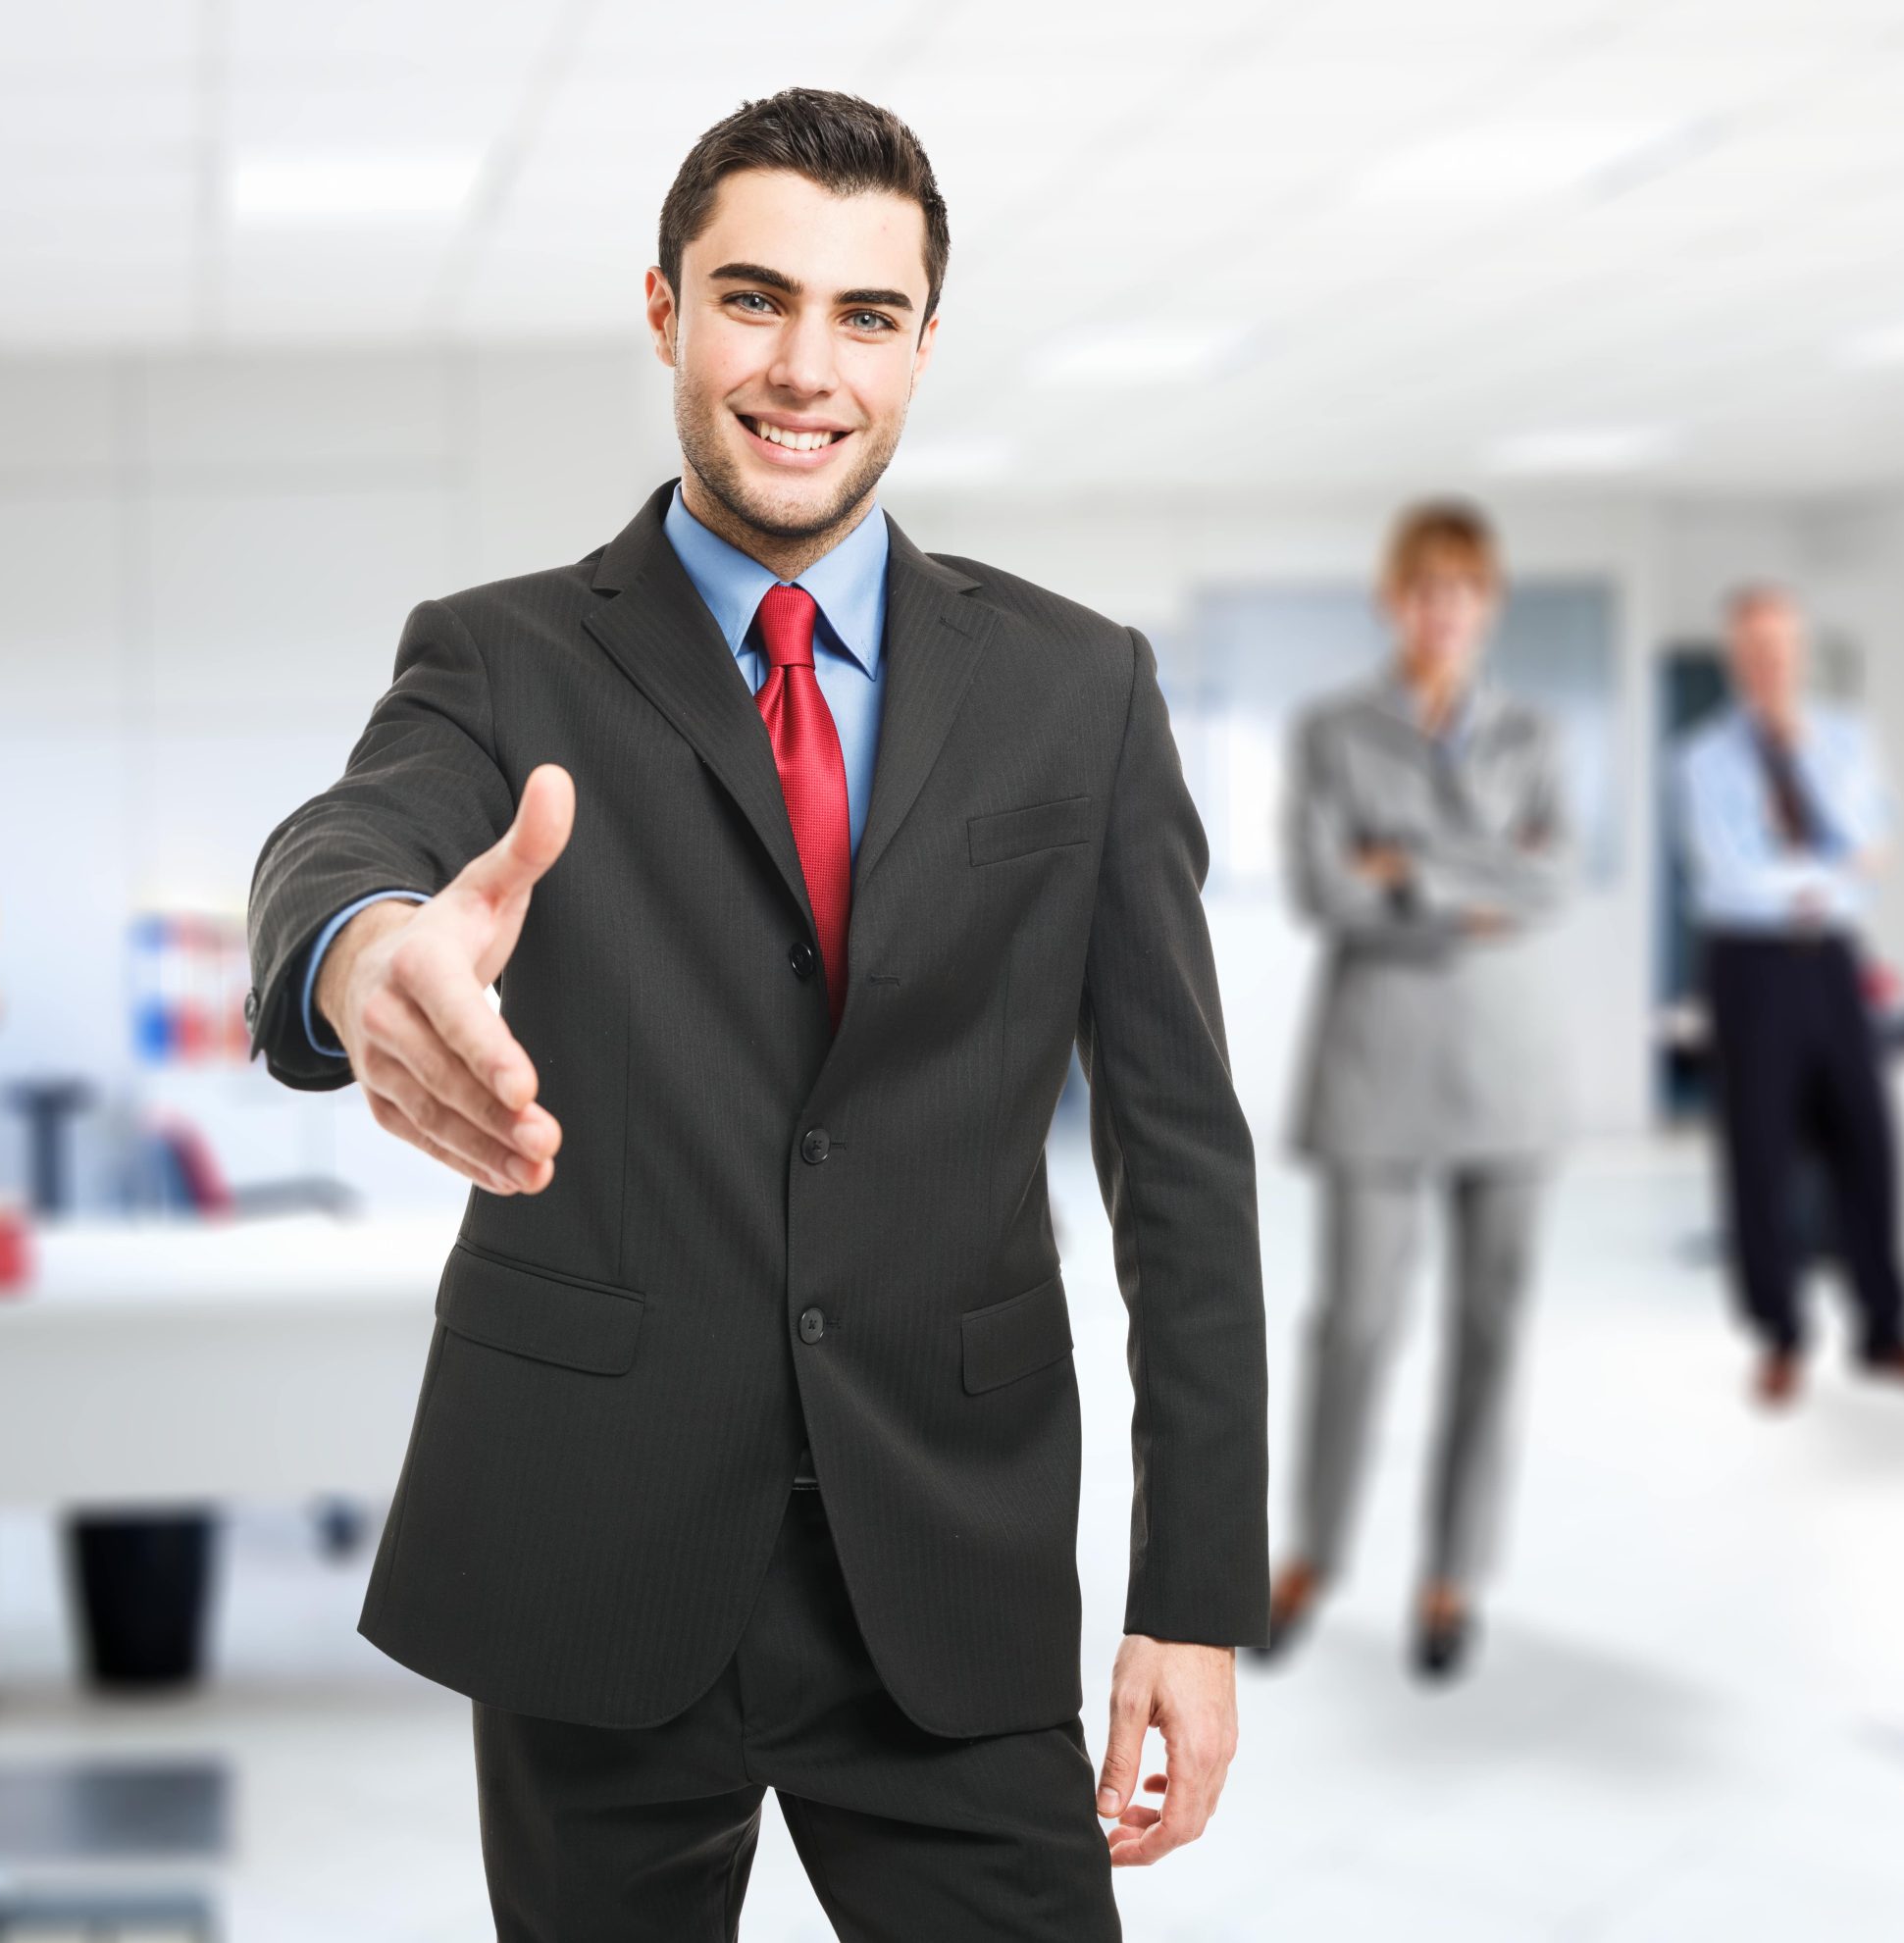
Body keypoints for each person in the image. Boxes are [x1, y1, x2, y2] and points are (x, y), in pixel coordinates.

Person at [246, 89, 1266, 1939]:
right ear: (664, 311)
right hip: (593, 1550)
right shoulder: (504, 655)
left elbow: (1182, 1165)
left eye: (866, 316)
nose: (806, 368)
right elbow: (348, 841)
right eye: (754, 299)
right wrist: (365, 949)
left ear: (923, 346)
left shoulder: (1076, 690)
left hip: (944, 1573)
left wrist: (1190, 1597)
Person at [1261, 502, 1569, 1683]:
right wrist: (1466, 885)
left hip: (1508, 1070)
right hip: (1375, 1066)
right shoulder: (1332, 730)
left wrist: (1404, 870)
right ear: (1394, 600)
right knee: (1353, 1326)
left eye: (1464, 593)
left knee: (1489, 1333)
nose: (1443, 613)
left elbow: (1549, 881)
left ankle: (1453, 1576)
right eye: (1423, 591)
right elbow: (1319, 887)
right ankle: (1313, 1554)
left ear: (1486, 605)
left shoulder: (1532, 732)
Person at [1673, 584, 1904, 1407]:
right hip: (1748, 964)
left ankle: (1890, 1332)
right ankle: (1780, 1336)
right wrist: (1825, 878)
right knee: (1759, 1152)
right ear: (1736, 657)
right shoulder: (1700, 758)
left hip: (1833, 961)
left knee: (1869, 1142)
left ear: (1799, 653)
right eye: (1753, 648)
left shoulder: (1846, 740)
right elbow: (1732, 877)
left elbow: (1875, 852)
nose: (1769, 662)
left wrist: (1805, 763)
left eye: (1782, 647)